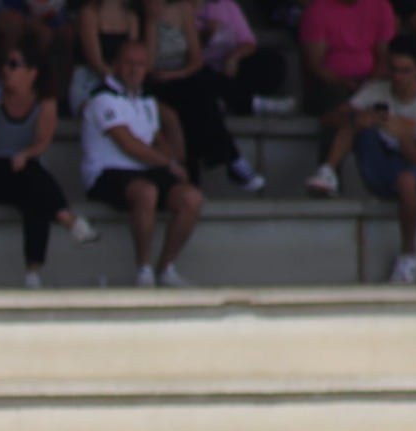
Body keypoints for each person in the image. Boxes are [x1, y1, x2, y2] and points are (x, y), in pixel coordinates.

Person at [305, 35, 416, 286]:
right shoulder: (377, 90)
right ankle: (327, 171)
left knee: (407, 180)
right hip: (379, 168)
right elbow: (329, 119)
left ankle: (408, 256)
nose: (398, 77)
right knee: (354, 122)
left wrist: (402, 136)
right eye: (394, 69)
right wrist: (359, 117)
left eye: (405, 71)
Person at [0, 42, 97, 289]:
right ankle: (68, 220)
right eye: (4, 64)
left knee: (34, 196)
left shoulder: (44, 102)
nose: (6, 70)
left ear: (32, 72)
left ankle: (32, 274)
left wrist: (25, 154)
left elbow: (41, 142)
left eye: (14, 65)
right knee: (33, 181)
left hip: (23, 169)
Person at [80, 39, 204, 287]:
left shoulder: (147, 101)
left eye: (140, 64)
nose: (134, 69)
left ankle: (166, 268)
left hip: (143, 171)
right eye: (128, 63)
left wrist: (173, 126)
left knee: (191, 198)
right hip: (106, 173)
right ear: (114, 65)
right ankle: (143, 270)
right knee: (146, 192)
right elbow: (128, 144)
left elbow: (158, 142)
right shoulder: (102, 98)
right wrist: (168, 165)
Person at [141, 0, 263, 191]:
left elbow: (196, 59)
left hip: (180, 77)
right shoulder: (144, 12)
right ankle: (231, 159)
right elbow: (147, 65)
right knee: (195, 99)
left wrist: (177, 74)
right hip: (154, 81)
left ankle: (222, 164)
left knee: (198, 95)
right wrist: (151, 22)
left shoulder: (183, 9)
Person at [297, 0, 393, 139]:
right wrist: (343, 82)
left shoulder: (381, 6)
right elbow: (315, 64)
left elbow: (385, 58)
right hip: (330, 84)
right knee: (339, 110)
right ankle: (329, 161)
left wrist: (369, 84)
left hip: (372, 81)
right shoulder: (317, 9)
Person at [194, 0, 290, 117]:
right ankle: (251, 103)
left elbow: (249, 43)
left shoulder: (226, 5)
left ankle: (234, 101)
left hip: (229, 67)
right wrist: (204, 36)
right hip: (202, 67)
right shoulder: (180, 10)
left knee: (272, 62)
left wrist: (233, 58)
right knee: (204, 79)